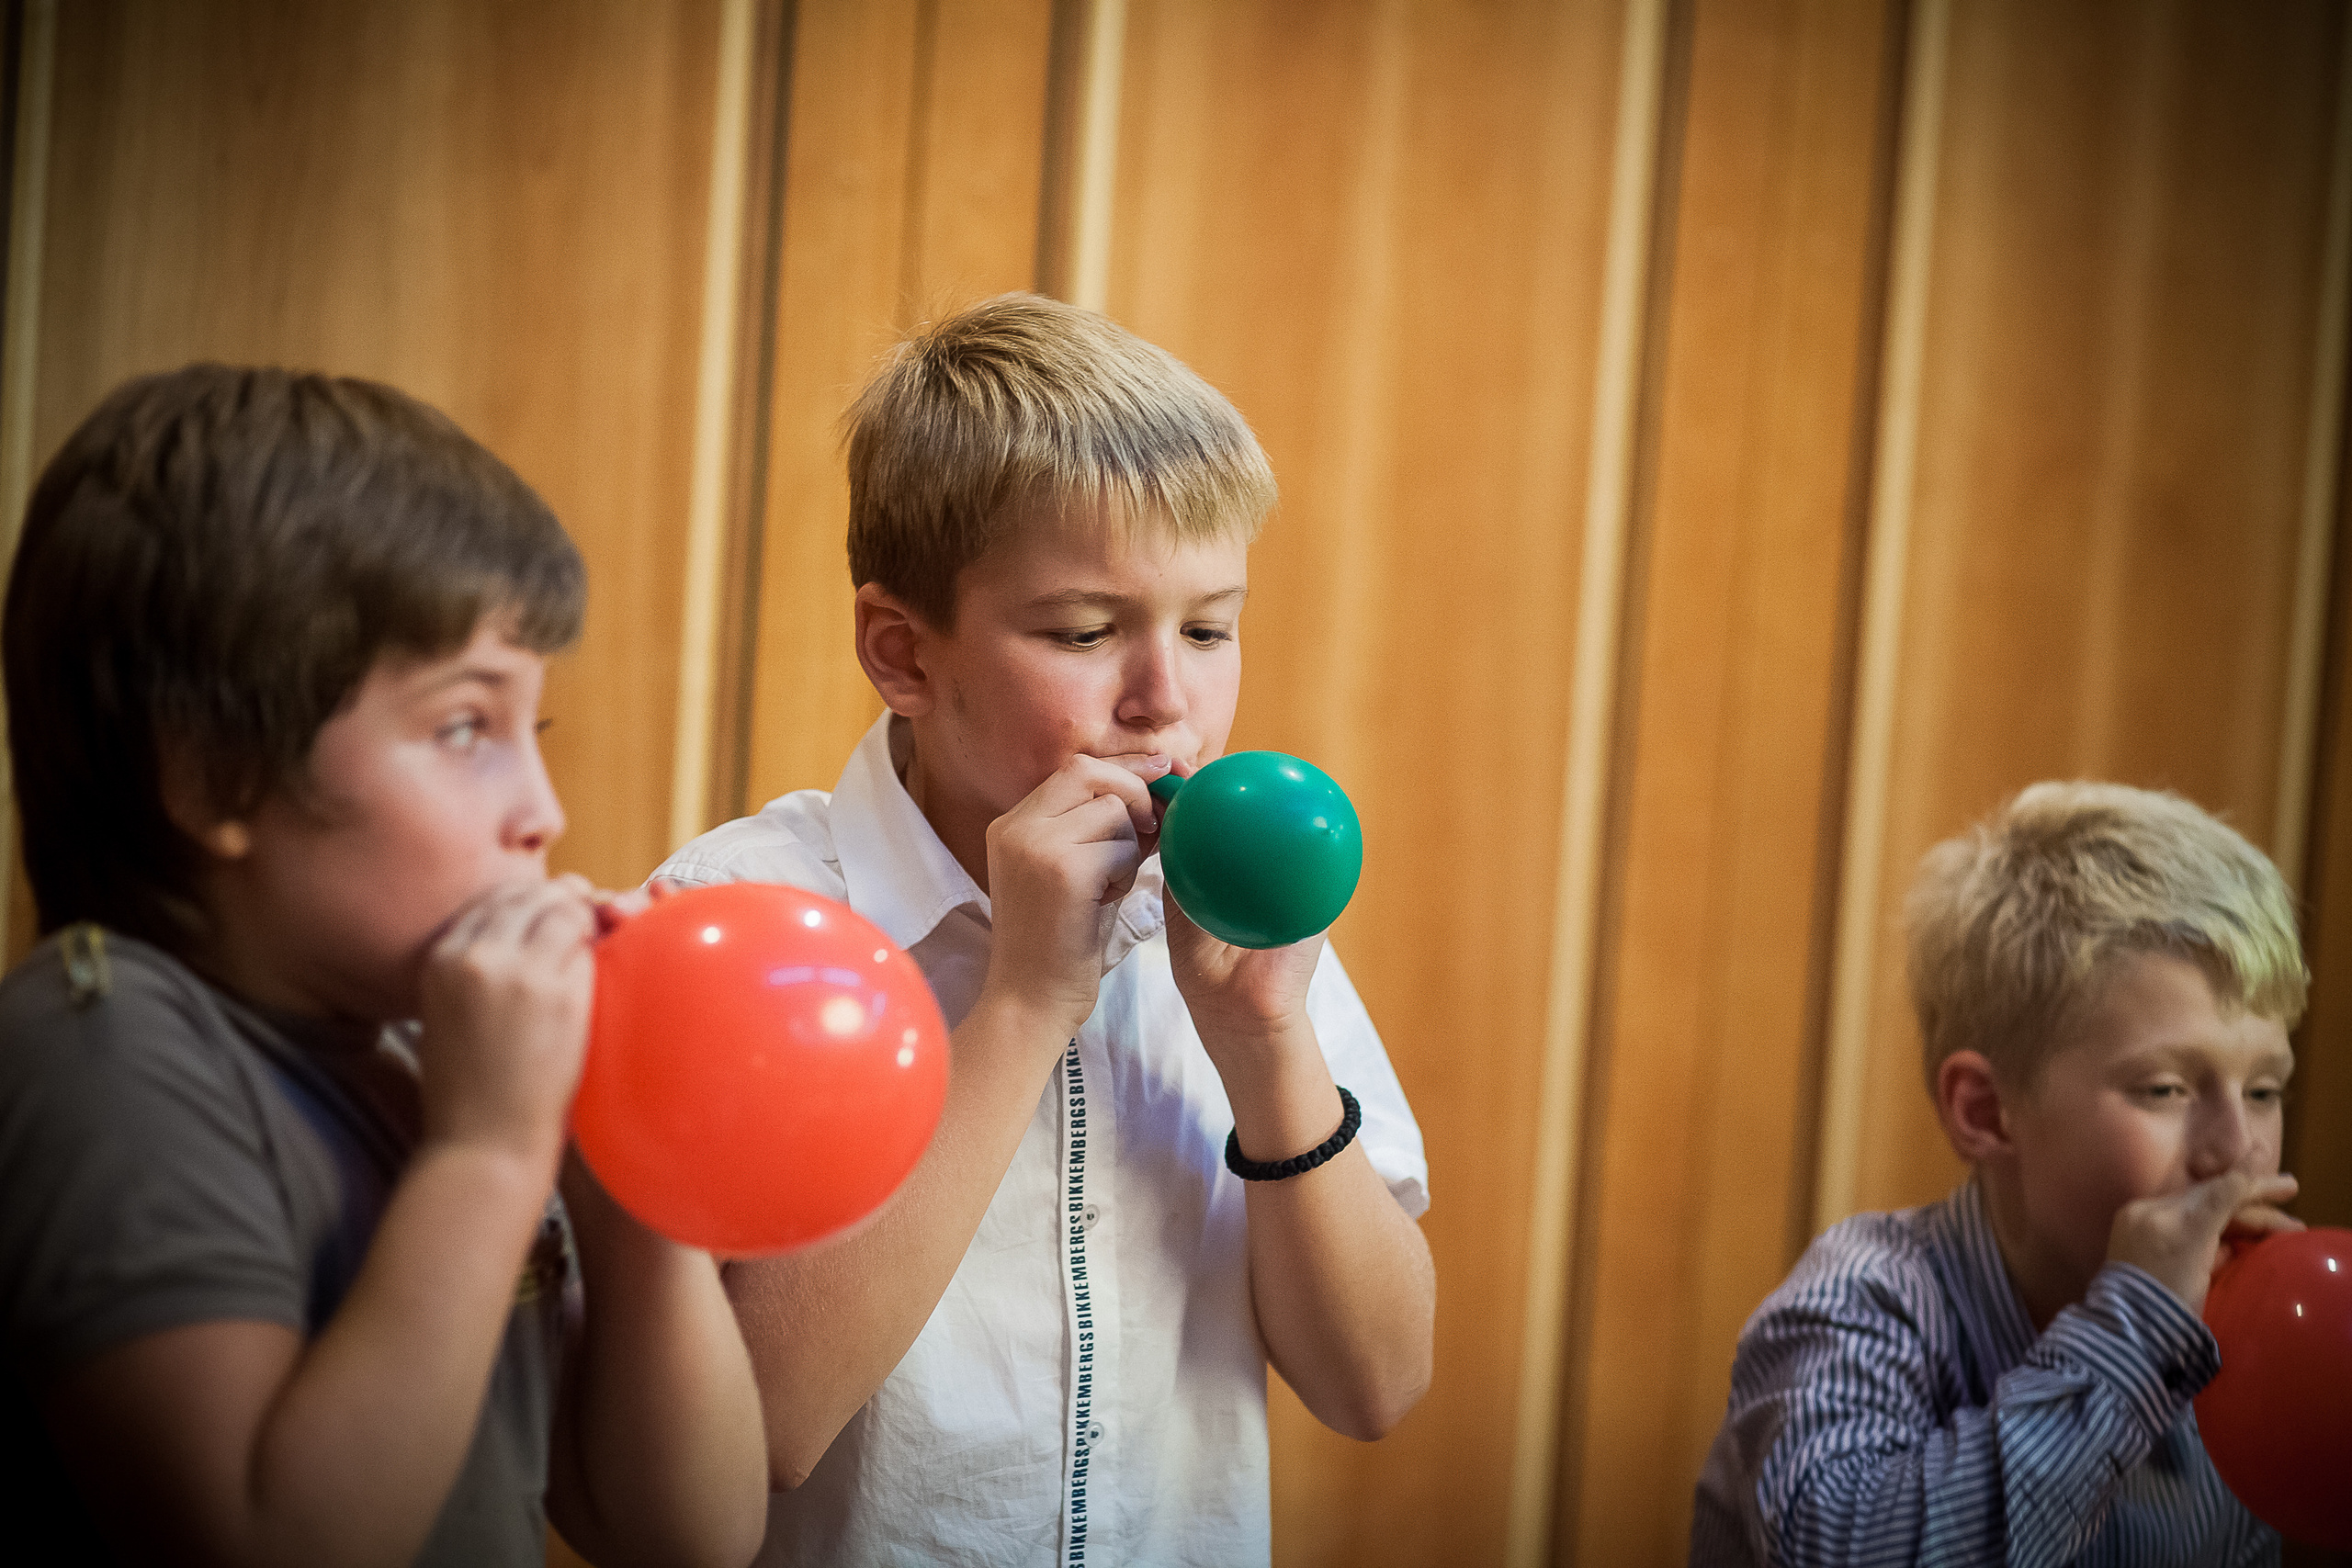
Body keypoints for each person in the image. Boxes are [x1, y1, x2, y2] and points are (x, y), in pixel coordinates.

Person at [655, 292, 1435, 1566]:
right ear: (902, 653)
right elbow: (757, 1433)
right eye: (1084, 631)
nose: (1166, 699)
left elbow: (1377, 1383)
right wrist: (1020, 1002)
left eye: (1208, 626)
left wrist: (1267, 1044)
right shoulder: (740, 923)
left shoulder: (1243, 928)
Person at [0, 366, 769, 1567]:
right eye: (466, 726)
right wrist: (487, 1153)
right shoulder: (101, 1041)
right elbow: (269, 1540)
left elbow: (689, 1532)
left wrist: (637, 1170)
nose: (543, 811)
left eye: (535, 730)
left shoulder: (425, 1055)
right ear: (214, 776)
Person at [1690, 781, 2304, 1565]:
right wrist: (2138, 1330)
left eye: (2264, 1090)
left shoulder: (2230, 1354)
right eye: (2165, 1089)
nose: (2235, 1147)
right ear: (1984, 1111)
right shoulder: (1864, 1300)